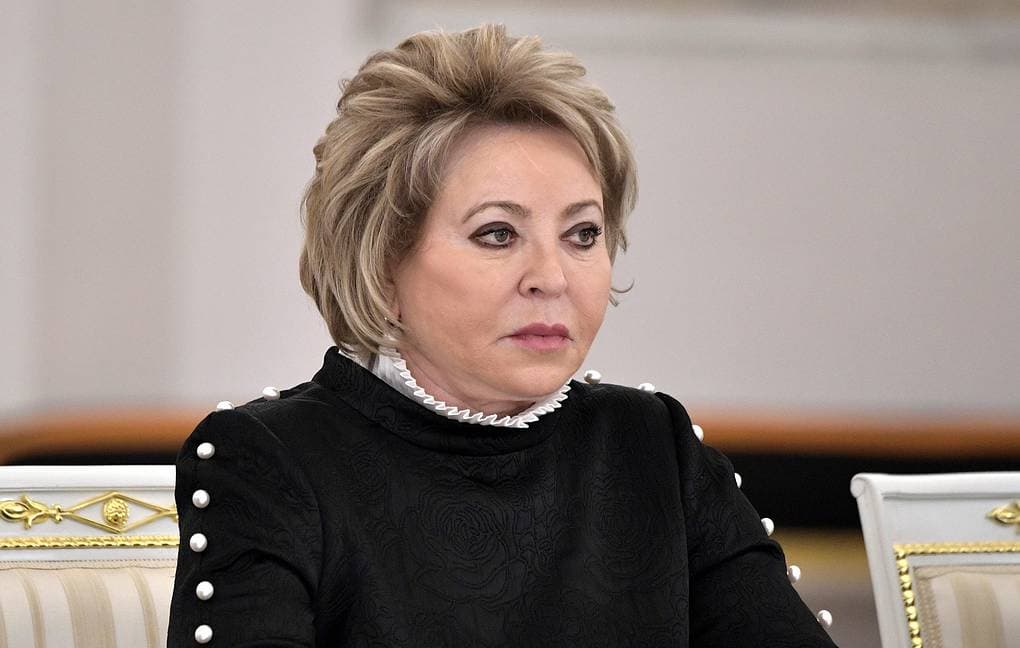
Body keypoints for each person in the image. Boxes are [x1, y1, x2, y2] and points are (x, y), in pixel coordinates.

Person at [167, 23, 838, 647]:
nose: (552, 276)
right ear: (382, 261)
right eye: (497, 233)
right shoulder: (273, 461)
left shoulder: (652, 447)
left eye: (583, 234)